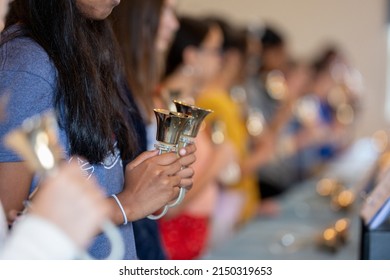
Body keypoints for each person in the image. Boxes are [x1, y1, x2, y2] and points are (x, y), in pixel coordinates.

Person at [0, 0, 195, 260]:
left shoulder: (84, 49)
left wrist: (143, 182)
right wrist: (127, 203)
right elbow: (9, 225)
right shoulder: (28, 63)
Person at [159, 16, 236, 259]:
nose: (220, 59)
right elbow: (166, 205)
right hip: (173, 237)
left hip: (194, 235)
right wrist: (216, 166)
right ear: (191, 55)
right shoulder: (165, 107)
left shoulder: (190, 103)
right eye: (214, 51)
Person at [109, 0, 181, 260]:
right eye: (167, 11)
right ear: (139, 14)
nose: (175, 24)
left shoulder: (142, 87)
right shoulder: (116, 87)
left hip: (143, 235)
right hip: (130, 240)